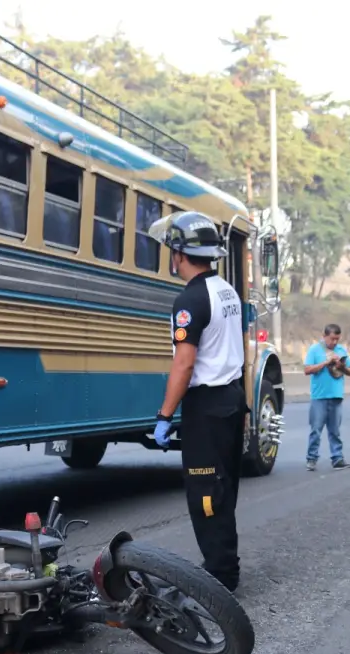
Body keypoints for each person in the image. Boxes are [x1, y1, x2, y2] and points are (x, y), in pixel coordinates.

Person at [148, 210, 248, 593]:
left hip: (206, 405)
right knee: (224, 488)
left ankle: (221, 573)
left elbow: (184, 363)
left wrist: (164, 414)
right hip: (231, 398)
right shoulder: (227, 291)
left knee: (206, 491)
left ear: (179, 254)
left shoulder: (189, 299)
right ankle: (225, 563)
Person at [303, 324, 350, 472]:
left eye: (337, 339)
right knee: (316, 430)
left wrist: (341, 365)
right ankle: (311, 458)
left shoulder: (341, 350)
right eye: (332, 339)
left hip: (336, 396)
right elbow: (307, 370)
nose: (335, 342)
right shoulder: (314, 350)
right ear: (324, 336)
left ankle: (337, 458)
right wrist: (325, 363)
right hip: (319, 396)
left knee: (335, 431)